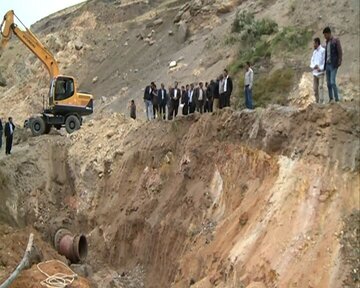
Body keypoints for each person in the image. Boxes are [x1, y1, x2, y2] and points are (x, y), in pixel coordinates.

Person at [323, 27, 342, 102]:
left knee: (332, 82)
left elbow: (340, 52)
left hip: (333, 64)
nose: (324, 36)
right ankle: (331, 98)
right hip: (327, 64)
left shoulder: (335, 41)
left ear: (328, 33)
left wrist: (339, 61)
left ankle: (337, 99)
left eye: (325, 35)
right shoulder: (327, 42)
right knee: (328, 83)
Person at [310, 37, 325, 103]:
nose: (313, 45)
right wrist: (314, 66)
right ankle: (317, 101)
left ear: (317, 43)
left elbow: (324, 61)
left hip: (321, 72)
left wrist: (320, 68)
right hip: (315, 73)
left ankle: (321, 102)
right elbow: (312, 61)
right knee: (315, 89)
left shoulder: (323, 51)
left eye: (314, 43)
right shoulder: (314, 52)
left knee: (321, 87)